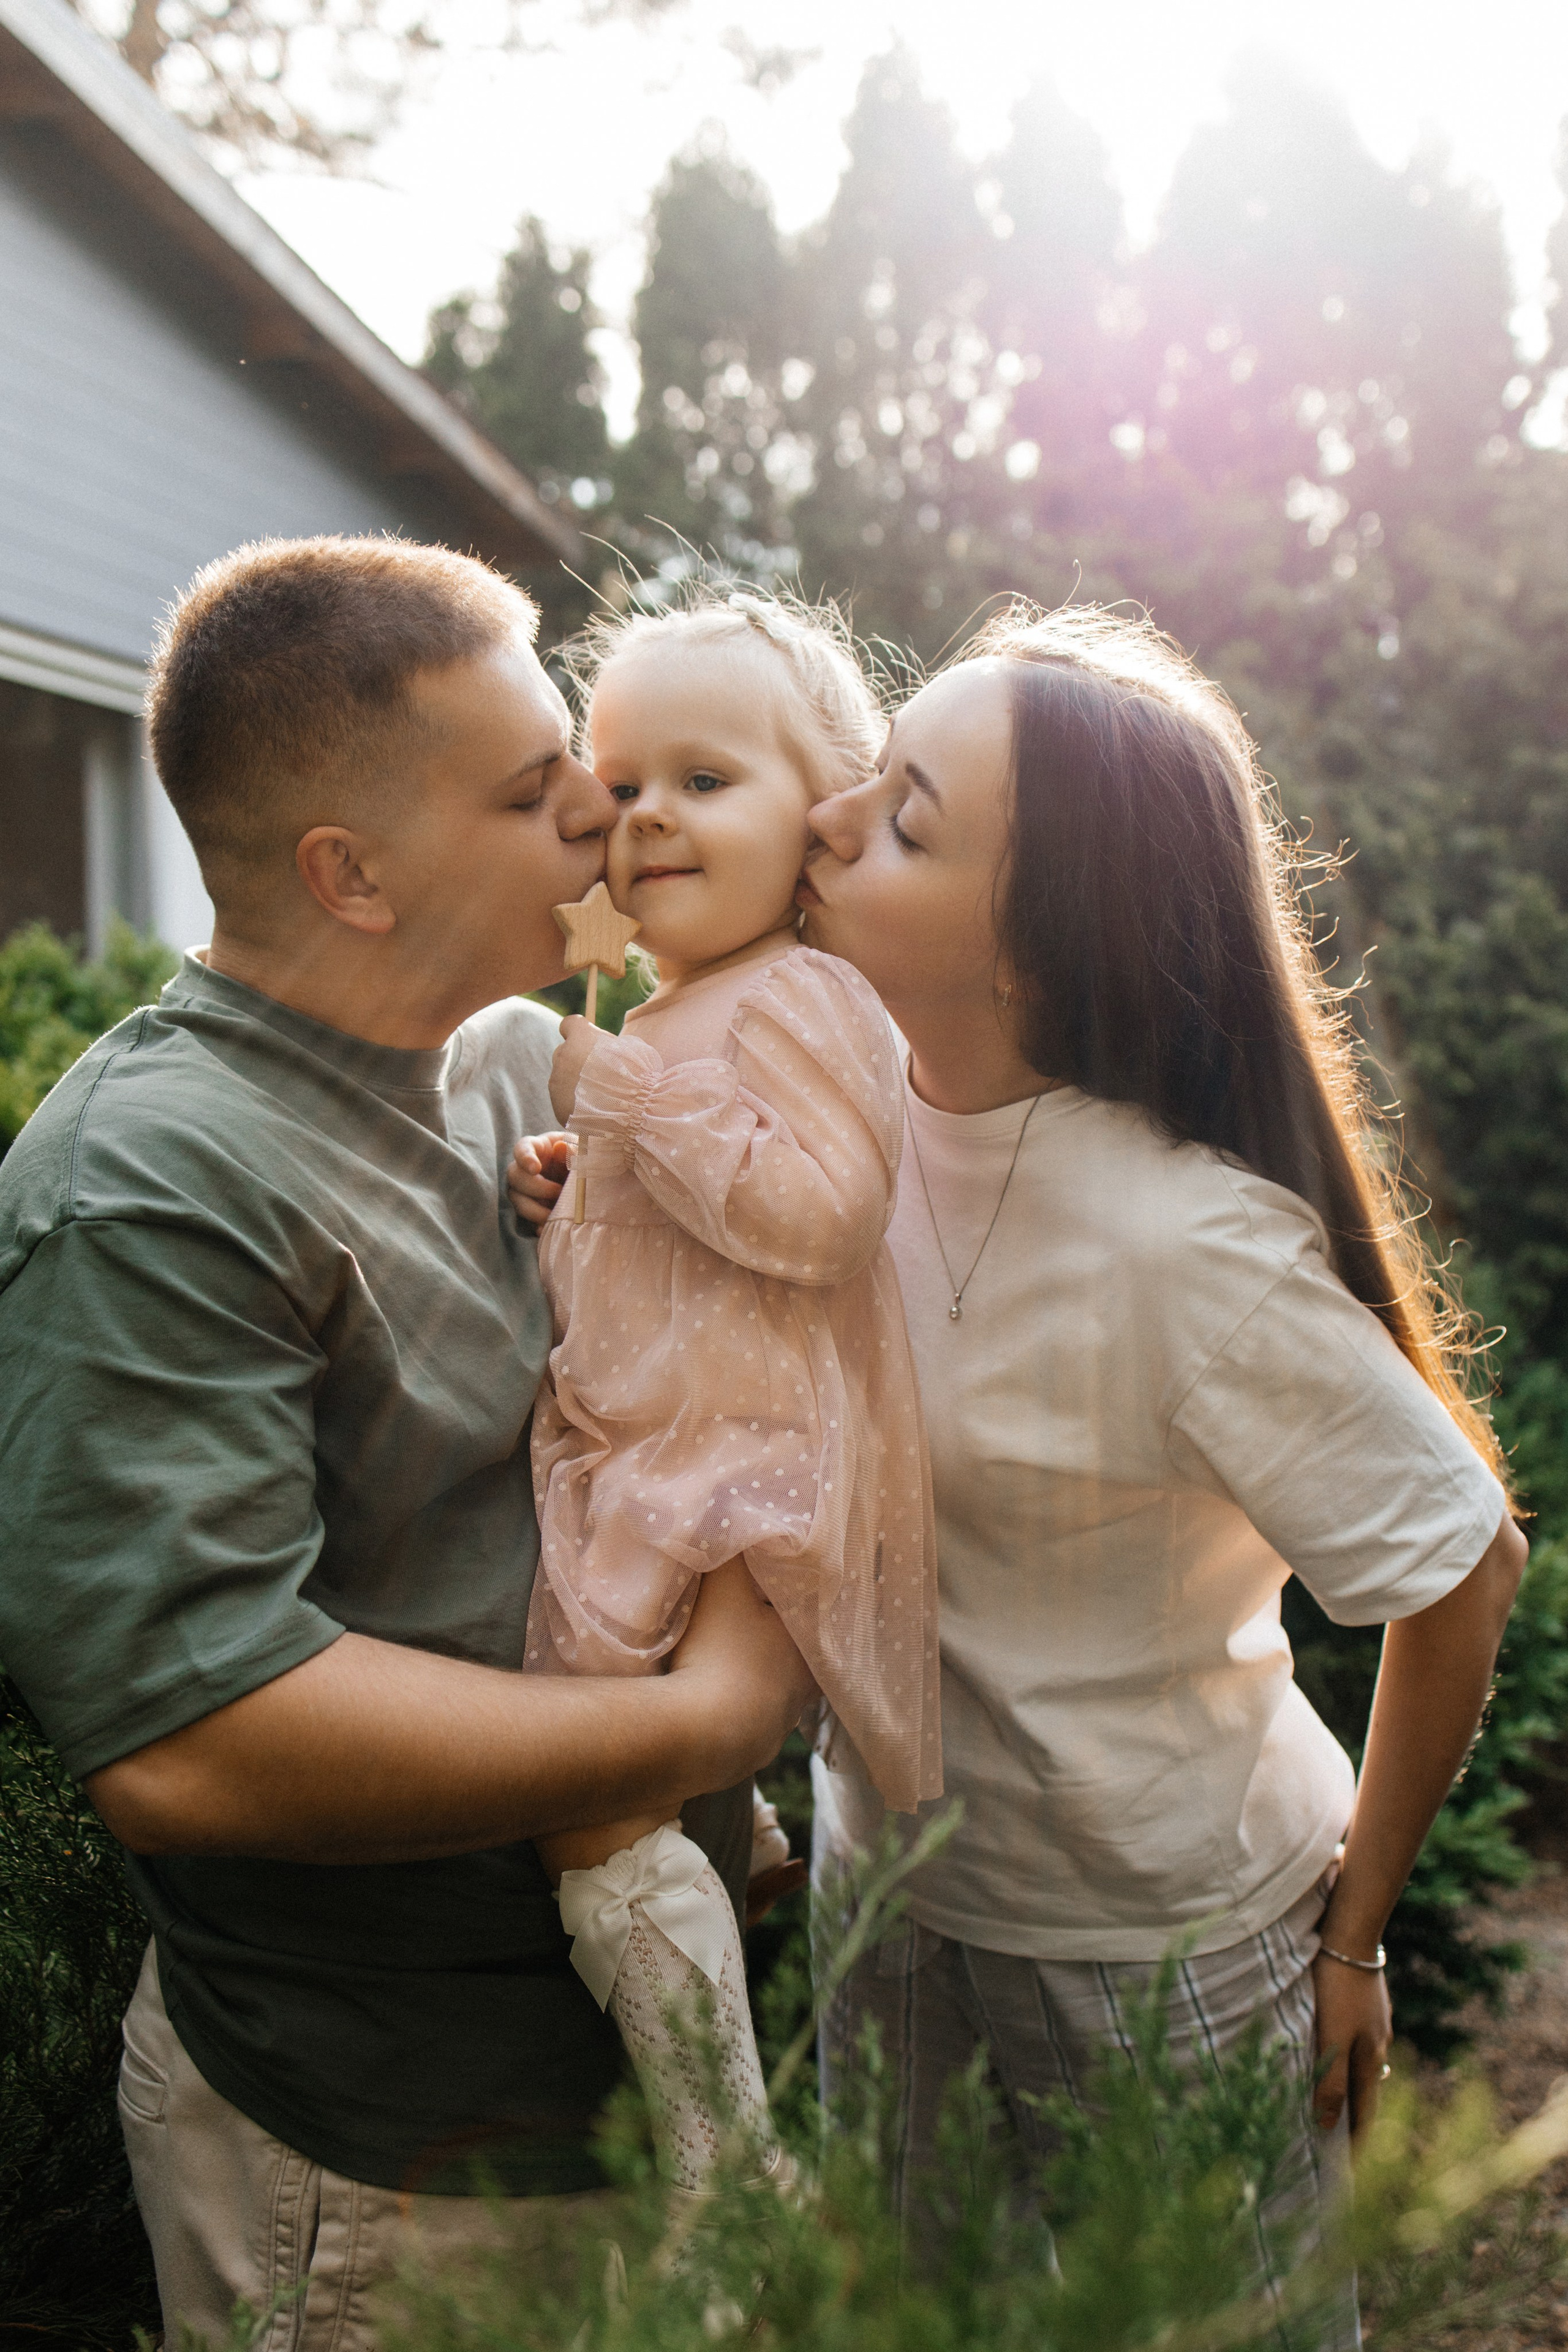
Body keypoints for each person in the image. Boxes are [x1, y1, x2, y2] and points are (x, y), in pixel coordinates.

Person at [0, 538, 814, 2350]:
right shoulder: (149, 1185)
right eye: (537, 791)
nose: (600, 809)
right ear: (348, 874)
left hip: (619, 2082)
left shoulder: (516, 1063)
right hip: (377, 2179)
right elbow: (197, 1740)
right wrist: (698, 1725)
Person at [796, 603, 1526, 2341]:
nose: (832, 819)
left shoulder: (1184, 1244)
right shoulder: (825, 1103)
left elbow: (1462, 1560)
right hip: (887, 1903)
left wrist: (1352, 1935)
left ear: (1034, 958)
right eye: (871, 773)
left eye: (907, 820)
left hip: (1167, 1950)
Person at [505, 590, 940, 2201]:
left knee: (582, 1821)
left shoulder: (807, 1001)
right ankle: (737, 1852)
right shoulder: (674, 1009)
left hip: (725, 1459)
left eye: (704, 779)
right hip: (653, 1449)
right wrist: (577, 1182)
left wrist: (607, 1086)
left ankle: (724, 2170)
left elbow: (819, 1218)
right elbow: (684, 1225)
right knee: (632, 1803)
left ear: (821, 819)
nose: (648, 819)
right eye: (619, 786)